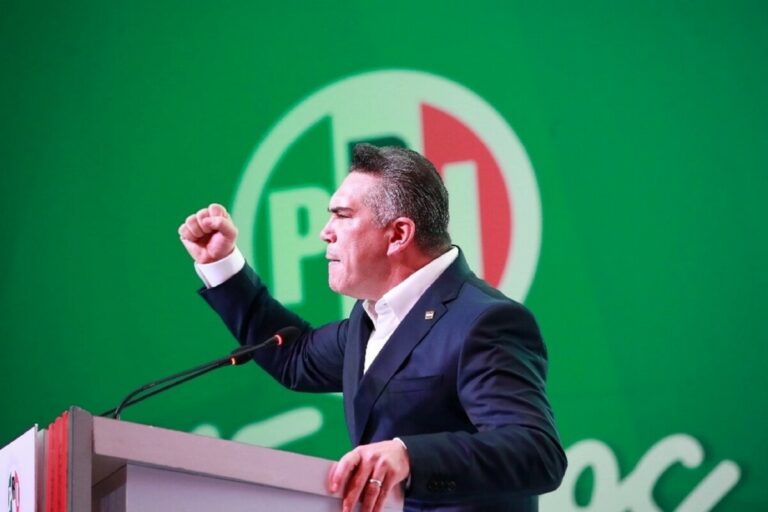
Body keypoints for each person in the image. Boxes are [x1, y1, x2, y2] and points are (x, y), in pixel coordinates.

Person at [178, 144, 566, 512]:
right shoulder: (369, 320)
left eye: (343, 215)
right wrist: (222, 265)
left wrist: (409, 456)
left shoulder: (483, 321)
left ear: (398, 234)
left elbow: (536, 451)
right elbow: (293, 355)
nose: (325, 231)